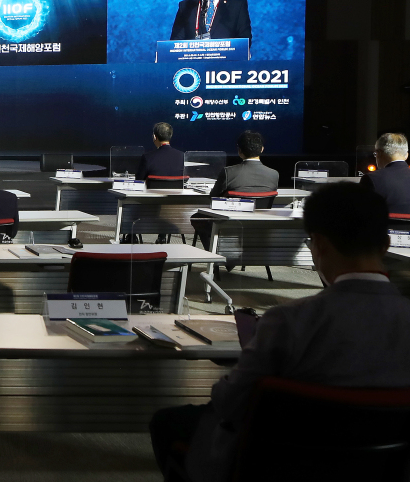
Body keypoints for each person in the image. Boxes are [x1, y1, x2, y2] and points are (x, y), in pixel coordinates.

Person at [149, 183, 410, 482]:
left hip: (281, 463)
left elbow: (229, 403)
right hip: (382, 467)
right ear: (386, 245)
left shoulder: (288, 321)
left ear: (319, 244)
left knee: (168, 422)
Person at [191, 131, 279, 249]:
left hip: (229, 225)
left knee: (197, 218)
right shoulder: (274, 174)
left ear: (239, 151)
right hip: (259, 226)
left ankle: (216, 256)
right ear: (262, 149)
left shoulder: (229, 172)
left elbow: (213, 197)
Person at [361, 132, 410, 215]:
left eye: (375, 154)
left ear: (379, 153)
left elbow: (362, 214)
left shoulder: (372, 179)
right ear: (406, 155)